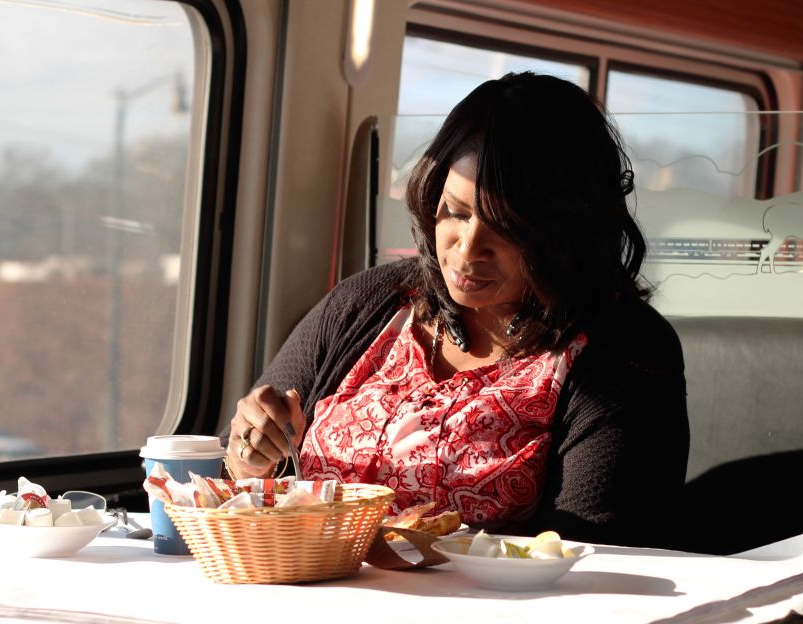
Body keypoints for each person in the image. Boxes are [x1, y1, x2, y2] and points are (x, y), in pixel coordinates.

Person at [223, 72, 689, 547]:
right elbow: (239, 479)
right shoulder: (371, 302)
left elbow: (597, 557)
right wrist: (250, 454)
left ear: (566, 234)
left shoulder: (625, 351)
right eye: (456, 212)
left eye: (507, 228)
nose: (467, 250)